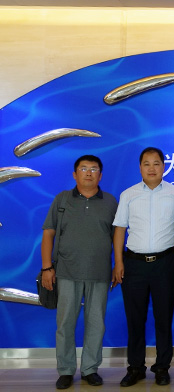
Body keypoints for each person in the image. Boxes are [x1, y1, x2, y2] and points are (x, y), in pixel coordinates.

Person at [41, 155, 118, 390]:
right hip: (66, 272)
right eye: (83, 169)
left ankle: (90, 369)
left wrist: (118, 264)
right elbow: (48, 233)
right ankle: (65, 370)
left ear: (100, 175)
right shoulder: (62, 199)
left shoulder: (110, 202)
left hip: (100, 273)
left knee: (96, 324)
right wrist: (46, 267)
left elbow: (118, 237)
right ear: (75, 174)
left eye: (94, 169)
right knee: (65, 323)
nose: (88, 173)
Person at [112, 147, 174, 387]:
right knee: (135, 319)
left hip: (165, 263)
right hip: (134, 264)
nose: (152, 168)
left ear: (164, 166)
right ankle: (135, 367)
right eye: (146, 164)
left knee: (164, 318)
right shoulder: (128, 195)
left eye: (156, 163)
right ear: (140, 167)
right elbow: (120, 229)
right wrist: (118, 262)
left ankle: (162, 367)